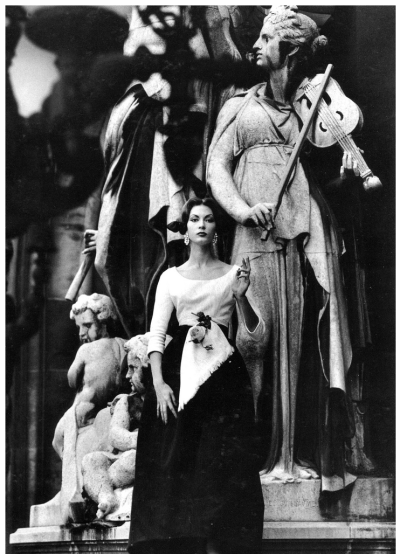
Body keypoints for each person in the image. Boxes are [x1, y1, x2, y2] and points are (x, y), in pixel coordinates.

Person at [207, 5, 358, 491]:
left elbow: (316, 184)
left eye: (267, 39)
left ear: (289, 52)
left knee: (292, 350)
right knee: (253, 342)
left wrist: (346, 171)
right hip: (252, 240)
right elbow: (216, 169)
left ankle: (287, 458)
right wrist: (243, 210)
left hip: (294, 239)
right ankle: (248, 457)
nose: (256, 45)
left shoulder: (306, 111)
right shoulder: (237, 106)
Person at [128, 197, 265, 554]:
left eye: (207, 219)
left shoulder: (234, 273)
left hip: (223, 376)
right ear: (185, 231)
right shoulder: (170, 278)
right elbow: (157, 335)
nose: (201, 225)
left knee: (221, 459)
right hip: (177, 374)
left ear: (216, 229)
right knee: (177, 458)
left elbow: (255, 333)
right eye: (193, 220)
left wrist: (241, 299)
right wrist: (158, 384)